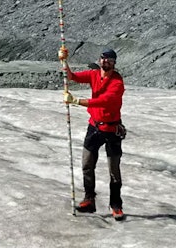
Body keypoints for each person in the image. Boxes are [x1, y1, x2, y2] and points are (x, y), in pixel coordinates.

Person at [59, 46, 127, 221]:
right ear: (100, 60)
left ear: (114, 63)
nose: (105, 62)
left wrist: (76, 101)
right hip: (94, 127)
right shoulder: (94, 75)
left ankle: (116, 205)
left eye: (109, 60)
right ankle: (89, 200)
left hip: (112, 129)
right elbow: (72, 77)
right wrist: (64, 61)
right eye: (103, 58)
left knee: (114, 170)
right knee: (87, 164)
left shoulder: (117, 82)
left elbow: (104, 101)